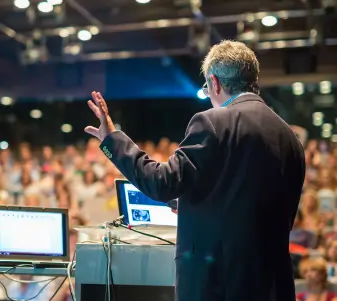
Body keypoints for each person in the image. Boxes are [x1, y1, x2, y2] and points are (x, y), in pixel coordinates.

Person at [85, 40, 305, 301]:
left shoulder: (213, 121)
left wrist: (113, 138)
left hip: (217, 285)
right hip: (272, 287)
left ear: (214, 82)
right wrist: (194, 203)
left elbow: (160, 183)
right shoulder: (290, 137)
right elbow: (261, 209)